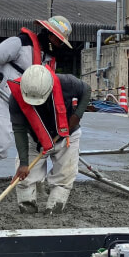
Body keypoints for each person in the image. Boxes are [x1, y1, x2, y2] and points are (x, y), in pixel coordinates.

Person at [0, 15, 72, 183]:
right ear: (48, 33)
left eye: (60, 41)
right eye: (56, 39)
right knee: (0, 140)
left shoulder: (49, 60)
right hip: (4, 97)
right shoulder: (20, 43)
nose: (57, 44)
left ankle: (33, 178)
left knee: (36, 141)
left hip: (29, 104)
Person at [9, 64, 90, 214]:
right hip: (34, 137)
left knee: (64, 174)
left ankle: (54, 207)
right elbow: (19, 129)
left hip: (66, 135)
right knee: (24, 177)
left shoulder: (67, 82)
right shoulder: (16, 97)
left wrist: (77, 115)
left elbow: (86, 90)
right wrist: (24, 163)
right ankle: (27, 205)